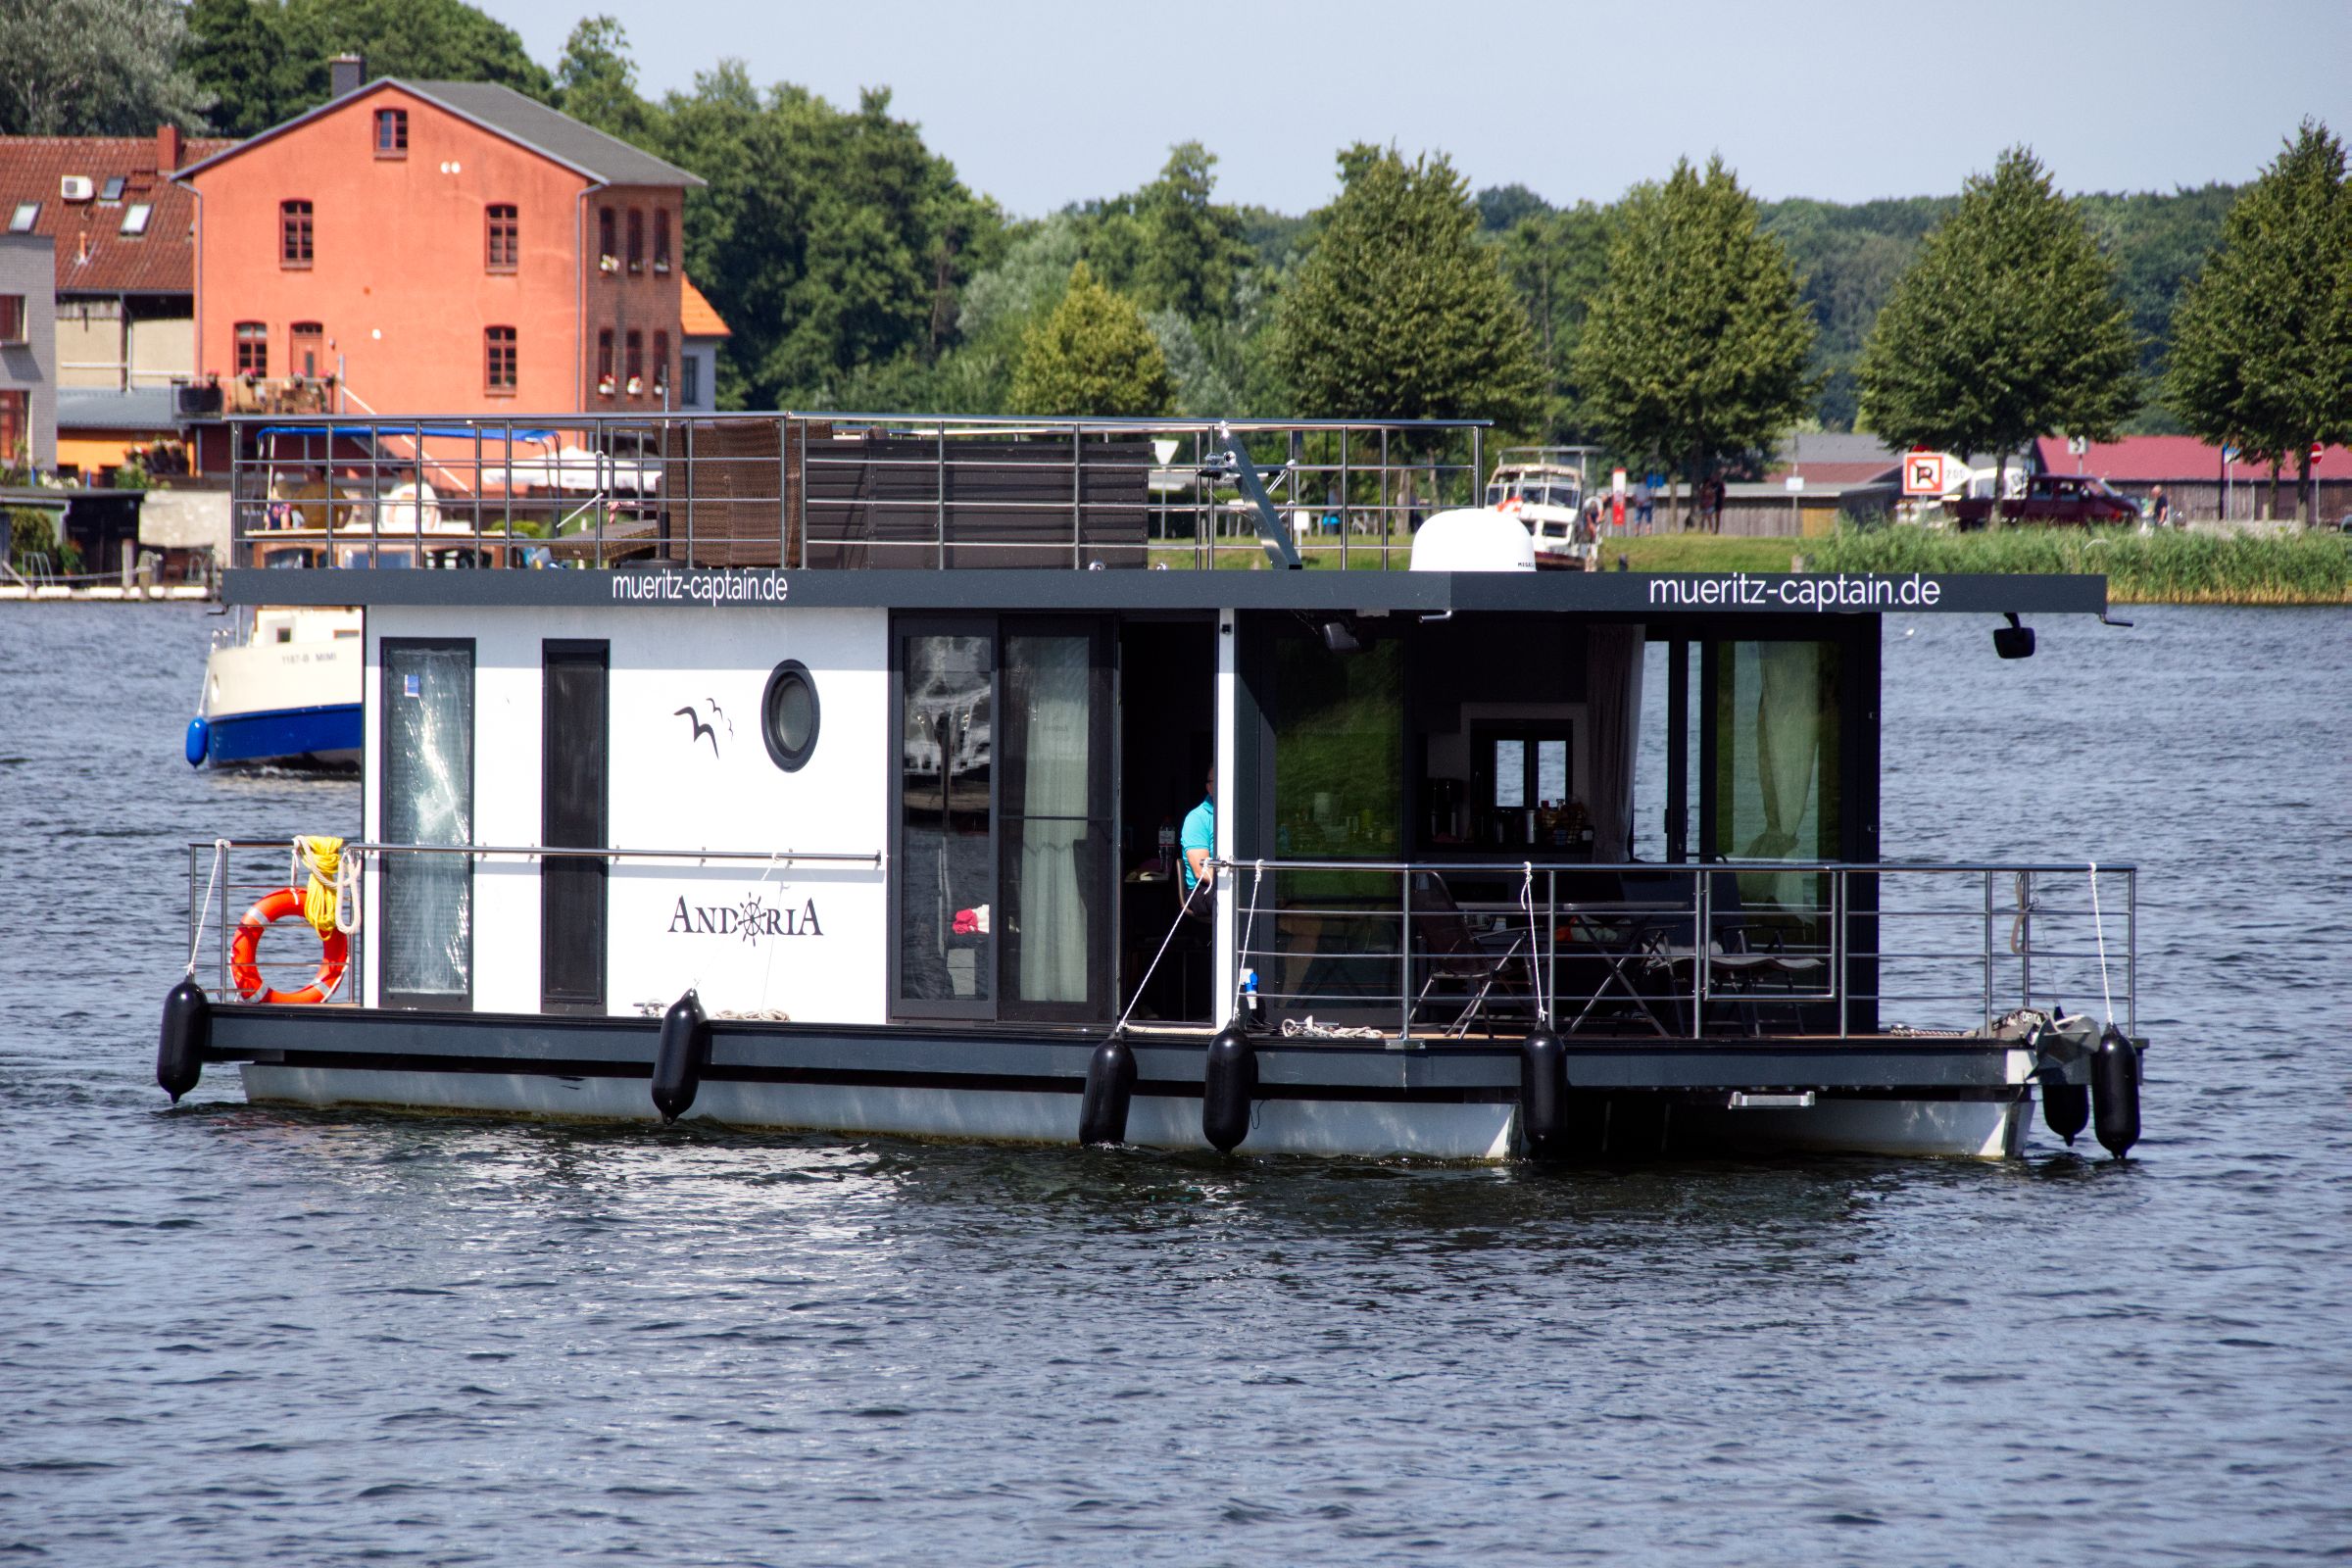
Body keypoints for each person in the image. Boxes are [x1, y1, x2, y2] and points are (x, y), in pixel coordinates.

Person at [1179, 766, 1216, 918]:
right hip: (1203, 890)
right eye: (1219, 780)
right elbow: (1203, 872)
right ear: (1209, 787)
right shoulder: (1197, 818)